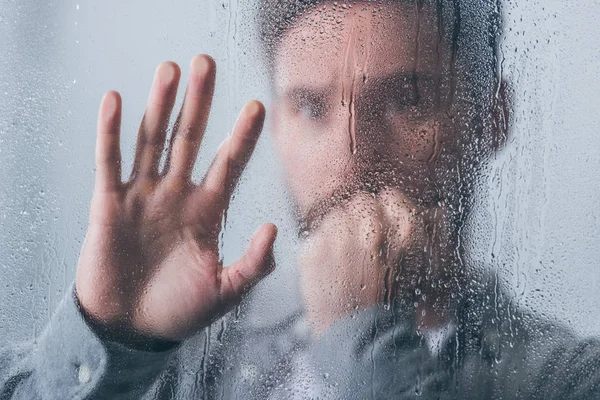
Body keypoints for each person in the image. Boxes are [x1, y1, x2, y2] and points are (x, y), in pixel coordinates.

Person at [1, 0, 599, 398]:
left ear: (491, 120)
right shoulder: (186, 350)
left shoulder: (569, 378)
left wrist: (360, 335)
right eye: (311, 107)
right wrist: (112, 340)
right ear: (278, 129)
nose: (352, 156)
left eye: (406, 98)